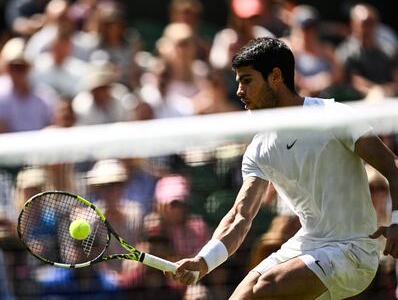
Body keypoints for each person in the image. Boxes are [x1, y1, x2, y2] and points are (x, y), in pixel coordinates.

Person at [169, 37, 398, 300]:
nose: (240, 92)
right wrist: (204, 261)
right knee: (240, 297)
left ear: (275, 76)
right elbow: (240, 217)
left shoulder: (334, 116)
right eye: (238, 83)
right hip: (308, 245)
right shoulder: (259, 149)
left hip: (354, 251)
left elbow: (392, 166)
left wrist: (397, 220)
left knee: (265, 287)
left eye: (247, 80)